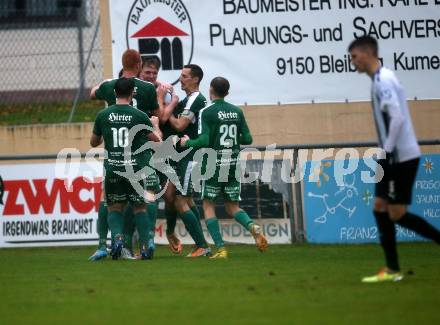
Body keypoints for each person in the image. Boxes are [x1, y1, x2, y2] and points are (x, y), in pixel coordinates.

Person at [348, 36, 440, 282]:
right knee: (380, 207)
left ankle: (395, 268)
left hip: (399, 157)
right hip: (391, 155)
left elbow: (397, 119)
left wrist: (386, 152)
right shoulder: (379, 79)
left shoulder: (383, 80)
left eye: (354, 56)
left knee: (397, 213)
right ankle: (392, 269)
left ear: (367, 54)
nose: (352, 62)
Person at [181, 76, 268, 258]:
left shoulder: (207, 111)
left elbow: (204, 140)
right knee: (232, 207)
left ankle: (221, 248)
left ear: (211, 89)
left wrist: (187, 142)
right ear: (227, 93)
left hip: (213, 163)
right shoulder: (236, 111)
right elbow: (247, 139)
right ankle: (253, 227)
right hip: (233, 163)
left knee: (208, 205)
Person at [88, 49, 161, 261]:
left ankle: (109, 242)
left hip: (114, 161)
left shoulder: (106, 95)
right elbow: (155, 128)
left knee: (110, 203)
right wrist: (154, 125)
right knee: (142, 203)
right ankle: (147, 243)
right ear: (139, 63)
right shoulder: (146, 92)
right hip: (139, 159)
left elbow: (92, 94)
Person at [165, 64, 211, 257]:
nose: (181, 79)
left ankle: (201, 245)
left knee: (179, 199)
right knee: (182, 199)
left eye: (184, 76)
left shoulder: (195, 99)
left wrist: (166, 109)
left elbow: (179, 124)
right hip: (185, 156)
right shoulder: (189, 99)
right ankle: (200, 243)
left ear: (195, 79)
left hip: (191, 156)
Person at [140, 57, 183, 254]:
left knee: (169, 196)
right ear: (140, 72)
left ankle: (170, 232)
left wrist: (170, 100)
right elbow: (161, 114)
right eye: (147, 72)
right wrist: (169, 101)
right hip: (140, 148)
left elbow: (163, 117)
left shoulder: (161, 89)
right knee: (143, 196)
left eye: (154, 73)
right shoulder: (137, 89)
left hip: (161, 148)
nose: (150, 76)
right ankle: (143, 240)